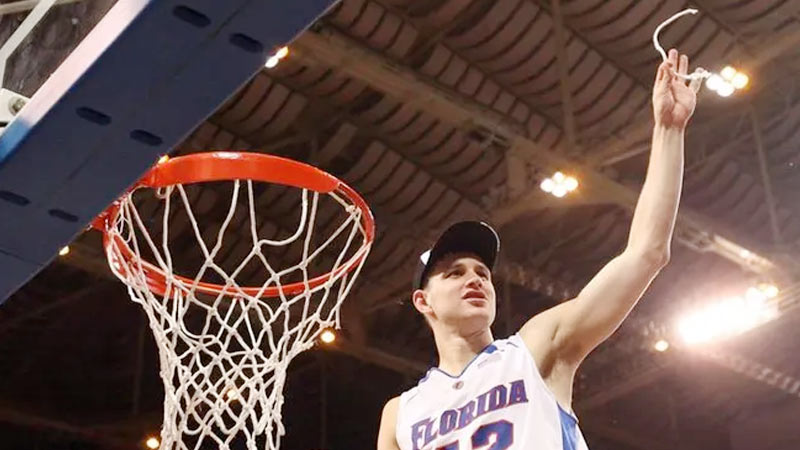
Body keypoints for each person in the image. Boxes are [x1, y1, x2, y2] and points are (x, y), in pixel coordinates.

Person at [376, 48, 701, 450]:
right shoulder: (401, 414)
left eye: (482, 272)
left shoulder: (534, 348)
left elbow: (647, 253)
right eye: (454, 272)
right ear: (423, 301)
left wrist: (668, 131)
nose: (475, 279)